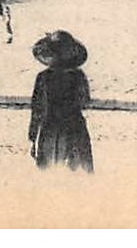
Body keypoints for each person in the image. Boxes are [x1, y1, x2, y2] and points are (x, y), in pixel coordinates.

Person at [29, 30, 93, 172]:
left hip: (50, 128)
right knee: (77, 171)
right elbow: (85, 101)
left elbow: (36, 110)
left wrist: (33, 138)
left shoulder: (43, 77)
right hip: (74, 127)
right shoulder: (78, 76)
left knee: (49, 172)